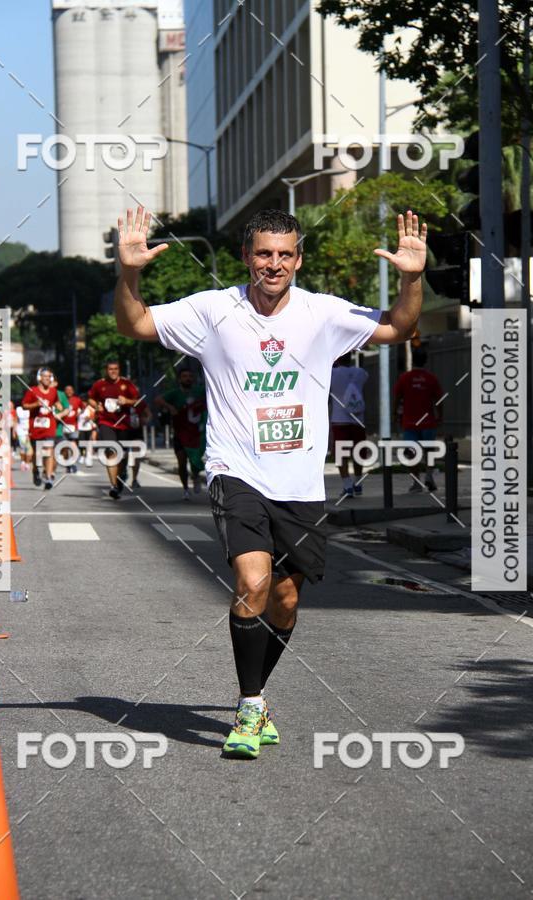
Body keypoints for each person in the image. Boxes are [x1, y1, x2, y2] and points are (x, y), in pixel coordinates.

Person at [115, 204, 426, 759]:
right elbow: (135, 324)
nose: (274, 264)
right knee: (253, 582)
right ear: (246, 257)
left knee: (284, 600)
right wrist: (129, 274)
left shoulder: (323, 313)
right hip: (235, 470)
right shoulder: (213, 311)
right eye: (263, 253)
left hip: (301, 484)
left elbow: (400, 326)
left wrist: (412, 278)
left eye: (284, 254)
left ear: (299, 259)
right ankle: (250, 703)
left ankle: (259, 696)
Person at [393, 347, 443, 492]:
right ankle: (429, 477)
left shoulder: (404, 378)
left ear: (413, 360)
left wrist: (394, 414)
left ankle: (416, 482)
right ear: (425, 361)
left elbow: (397, 398)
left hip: (410, 423)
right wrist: (440, 415)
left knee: (411, 453)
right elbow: (439, 399)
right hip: (428, 422)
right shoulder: (431, 378)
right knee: (429, 451)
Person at [88, 359, 139, 499]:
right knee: (111, 451)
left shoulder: (126, 384)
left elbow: (138, 401)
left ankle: (121, 475)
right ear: (106, 370)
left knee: (122, 456)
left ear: (119, 370)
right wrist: (96, 405)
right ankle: (114, 486)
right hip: (106, 422)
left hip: (123, 424)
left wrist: (127, 401)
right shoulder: (100, 384)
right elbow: (91, 398)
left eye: (116, 369)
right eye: (110, 369)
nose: (113, 371)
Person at [155, 368, 207, 500]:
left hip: (197, 434)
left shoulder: (199, 391)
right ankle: (185, 488)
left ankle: (195, 476)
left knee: (195, 460)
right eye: (184, 376)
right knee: (182, 462)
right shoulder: (174, 393)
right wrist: (170, 407)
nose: (187, 378)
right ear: (179, 379)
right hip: (180, 433)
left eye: (190, 376)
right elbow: (158, 400)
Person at [329, 353, 369, 498]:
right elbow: (365, 375)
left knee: (341, 454)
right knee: (358, 452)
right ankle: (358, 483)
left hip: (339, 419)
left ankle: (347, 485)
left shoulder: (332, 373)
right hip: (358, 419)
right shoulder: (359, 373)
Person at [21, 368, 62, 488]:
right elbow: (24, 405)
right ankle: (35, 471)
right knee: (36, 453)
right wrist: (35, 404)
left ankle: (48, 477)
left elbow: (56, 402)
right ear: (39, 378)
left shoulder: (53, 391)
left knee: (49, 450)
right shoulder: (32, 391)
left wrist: (58, 405)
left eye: (49, 377)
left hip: (49, 425)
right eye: (45, 376)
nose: (47, 379)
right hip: (36, 426)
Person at [126, 392, 152, 488]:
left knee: (136, 455)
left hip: (137, 431)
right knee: (123, 455)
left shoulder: (140, 403)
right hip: (123, 431)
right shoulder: (122, 401)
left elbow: (149, 414)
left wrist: (146, 419)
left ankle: (134, 479)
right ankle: (123, 472)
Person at [59, 384, 85, 474]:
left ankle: (73, 463)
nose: (69, 391)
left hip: (73, 426)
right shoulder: (61, 400)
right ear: (64, 391)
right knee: (65, 448)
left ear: (73, 391)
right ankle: (67, 464)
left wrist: (80, 413)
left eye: (71, 390)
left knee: (73, 445)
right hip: (62, 426)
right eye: (67, 390)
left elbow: (83, 407)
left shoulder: (77, 400)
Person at [14, 403, 33, 472]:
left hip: (29, 430)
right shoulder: (18, 409)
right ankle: (23, 462)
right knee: (23, 447)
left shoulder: (31, 408)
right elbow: (15, 420)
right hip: (20, 431)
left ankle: (27, 463)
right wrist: (14, 430)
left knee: (28, 447)